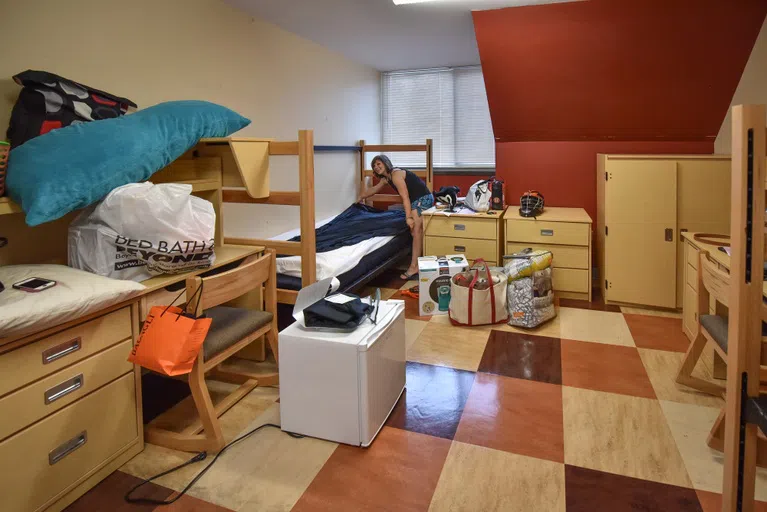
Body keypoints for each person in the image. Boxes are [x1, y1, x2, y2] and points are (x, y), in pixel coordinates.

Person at [358, 155, 433, 280]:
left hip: (422, 198)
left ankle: (414, 266)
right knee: (415, 232)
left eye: (378, 164)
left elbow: (405, 197)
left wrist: (408, 217)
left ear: (386, 163)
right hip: (414, 200)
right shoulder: (386, 178)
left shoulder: (396, 174)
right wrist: (360, 197)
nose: (376, 167)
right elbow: (373, 190)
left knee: (416, 231)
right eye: (374, 166)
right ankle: (416, 264)